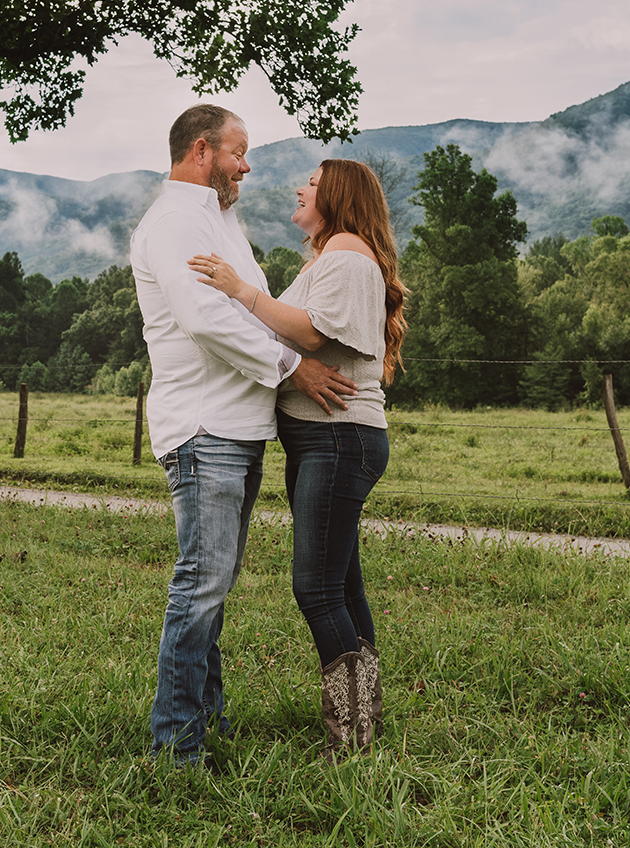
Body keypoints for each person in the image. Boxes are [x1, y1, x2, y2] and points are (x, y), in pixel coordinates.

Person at [132, 104, 357, 767]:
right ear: (201, 151)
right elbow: (206, 321)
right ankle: (175, 748)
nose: (247, 164)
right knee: (201, 585)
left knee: (215, 585)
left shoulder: (218, 221)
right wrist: (294, 368)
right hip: (205, 426)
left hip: (237, 426)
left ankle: (210, 721)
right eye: (239, 151)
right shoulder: (175, 222)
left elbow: (249, 310)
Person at [187, 158, 408, 756]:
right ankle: (363, 723)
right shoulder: (335, 256)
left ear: (335, 195)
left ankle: (351, 739)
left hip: (338, 439)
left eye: (310, 183)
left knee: (315, 589)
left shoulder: (344, 254)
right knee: (343, 585)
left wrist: (240, 289)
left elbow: (311, 333)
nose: (299, 188)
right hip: (325, 440)